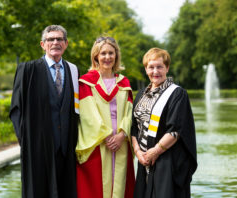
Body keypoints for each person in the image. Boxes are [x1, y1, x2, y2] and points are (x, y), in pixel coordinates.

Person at [9, 25, 79, 198]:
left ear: (66, 43)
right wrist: (26, 141)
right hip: (37, 149)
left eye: (59, 39)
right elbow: (16, 110)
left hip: (66, 148)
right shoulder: (27, 70)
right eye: (50, 39)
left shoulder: (73, 71)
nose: (55, 42)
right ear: (42, 44)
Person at [131, 47, 197, 198]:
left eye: (159, 67)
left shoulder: (177, 93)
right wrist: (138, 152)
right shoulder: (141, 94)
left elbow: (176, 129)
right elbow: (134, 128)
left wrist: (155, 151)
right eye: (151, 67)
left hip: (167, 160)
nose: (155, 71)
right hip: (143, 160)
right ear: (146, 69)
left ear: (167, 68)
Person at [76, 36, 135, 198]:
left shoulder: (124, 83)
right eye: (103, 53)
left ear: (116, 55)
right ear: (96, 56)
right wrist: (108, 135)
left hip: (120, 144)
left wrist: (122, 135)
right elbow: (87, 115)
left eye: (111, 53)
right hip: (98, 144)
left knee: (121, 186)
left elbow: (130, 113)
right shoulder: (86, 82)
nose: (107, 57)